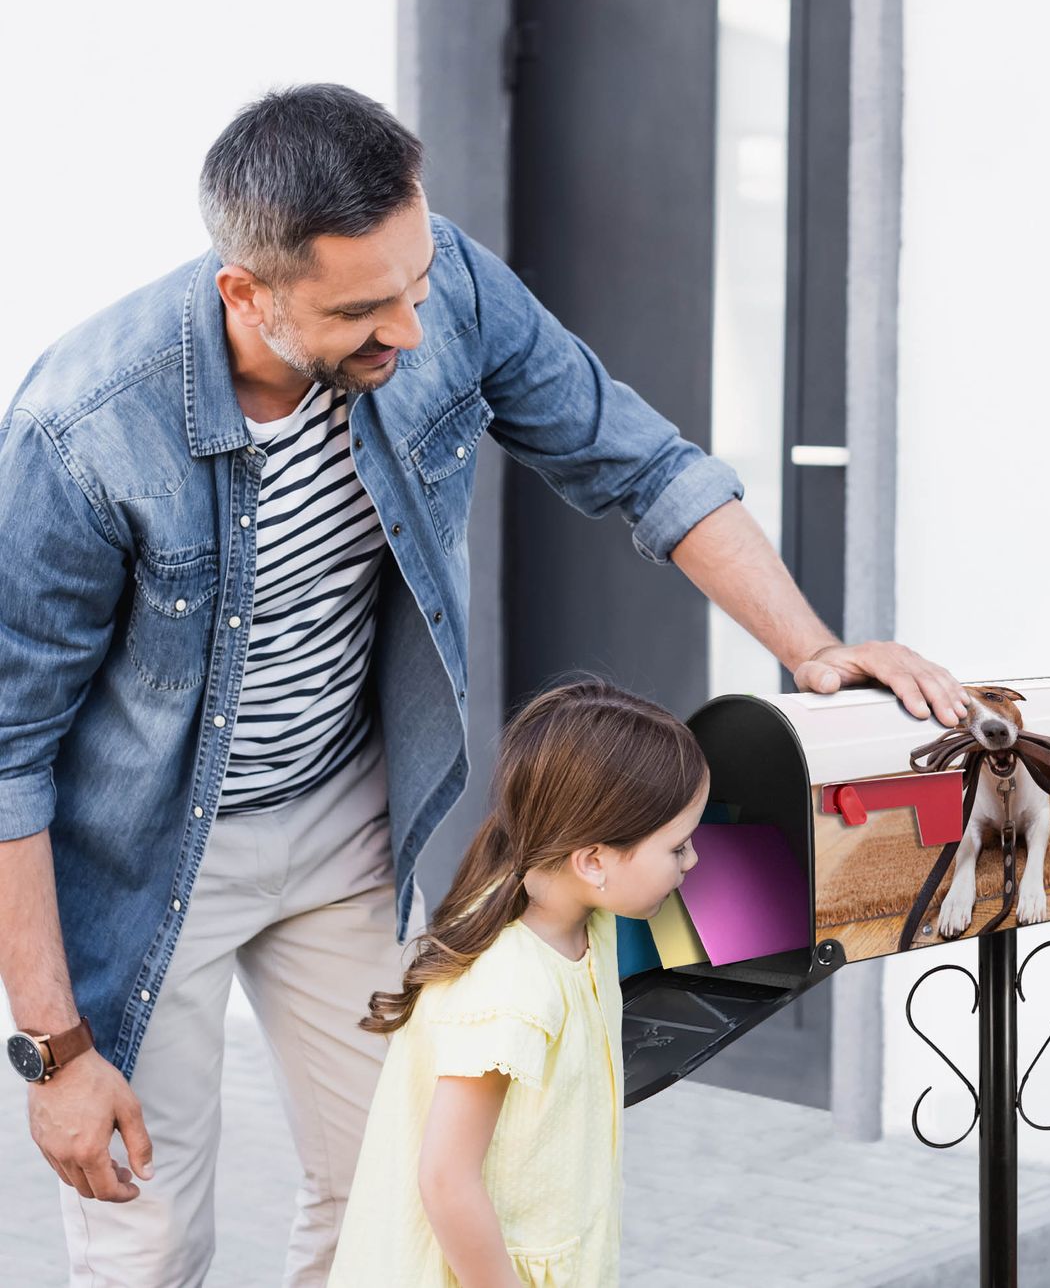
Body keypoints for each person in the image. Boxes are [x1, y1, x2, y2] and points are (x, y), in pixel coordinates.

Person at [0, 83, 967, 1286]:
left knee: (388, 1204)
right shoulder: (83, 429)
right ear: (244, 293)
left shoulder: (443, 283)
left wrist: (811, 648)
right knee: (147, 1243)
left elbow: (641, 462)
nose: (408, 330)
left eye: (412, 282)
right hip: (148, 862)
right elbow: (8, 754)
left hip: (345, 822)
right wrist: (55, 1051)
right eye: (361, 310)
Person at [328, 679, 707, 1287]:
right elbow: (446, 1180)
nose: (693, 862)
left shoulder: (582, 914)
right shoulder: (512, 990)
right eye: (679, 847)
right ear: (593, 861)